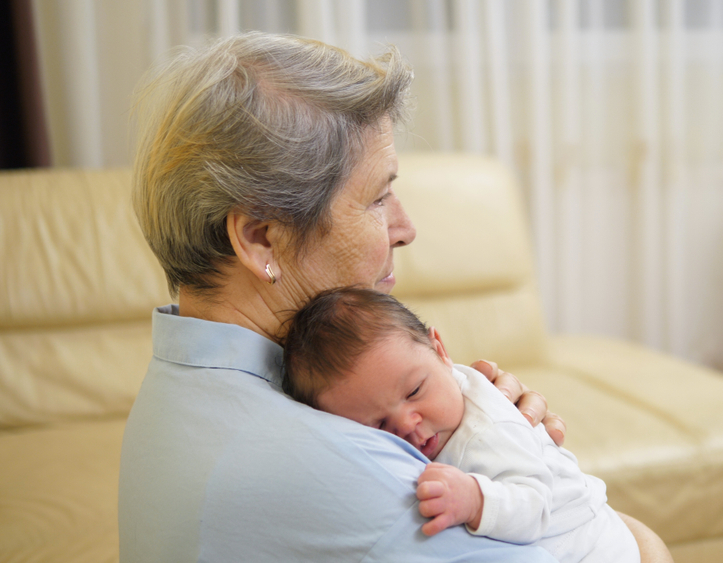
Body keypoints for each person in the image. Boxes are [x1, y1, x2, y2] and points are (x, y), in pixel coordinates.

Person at [119, 31, 567, 562]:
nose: (405, 229)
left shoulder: (187, 392)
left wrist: (496, 441)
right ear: (262, 238)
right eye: (378, 198)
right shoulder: (327, 466)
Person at [282, 287, 642, 563]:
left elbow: (534, 507)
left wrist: (474, 499)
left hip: (592, 546)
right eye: (376, 423)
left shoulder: (488, 431)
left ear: (440, 350)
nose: (408, 423)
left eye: (415, 390)